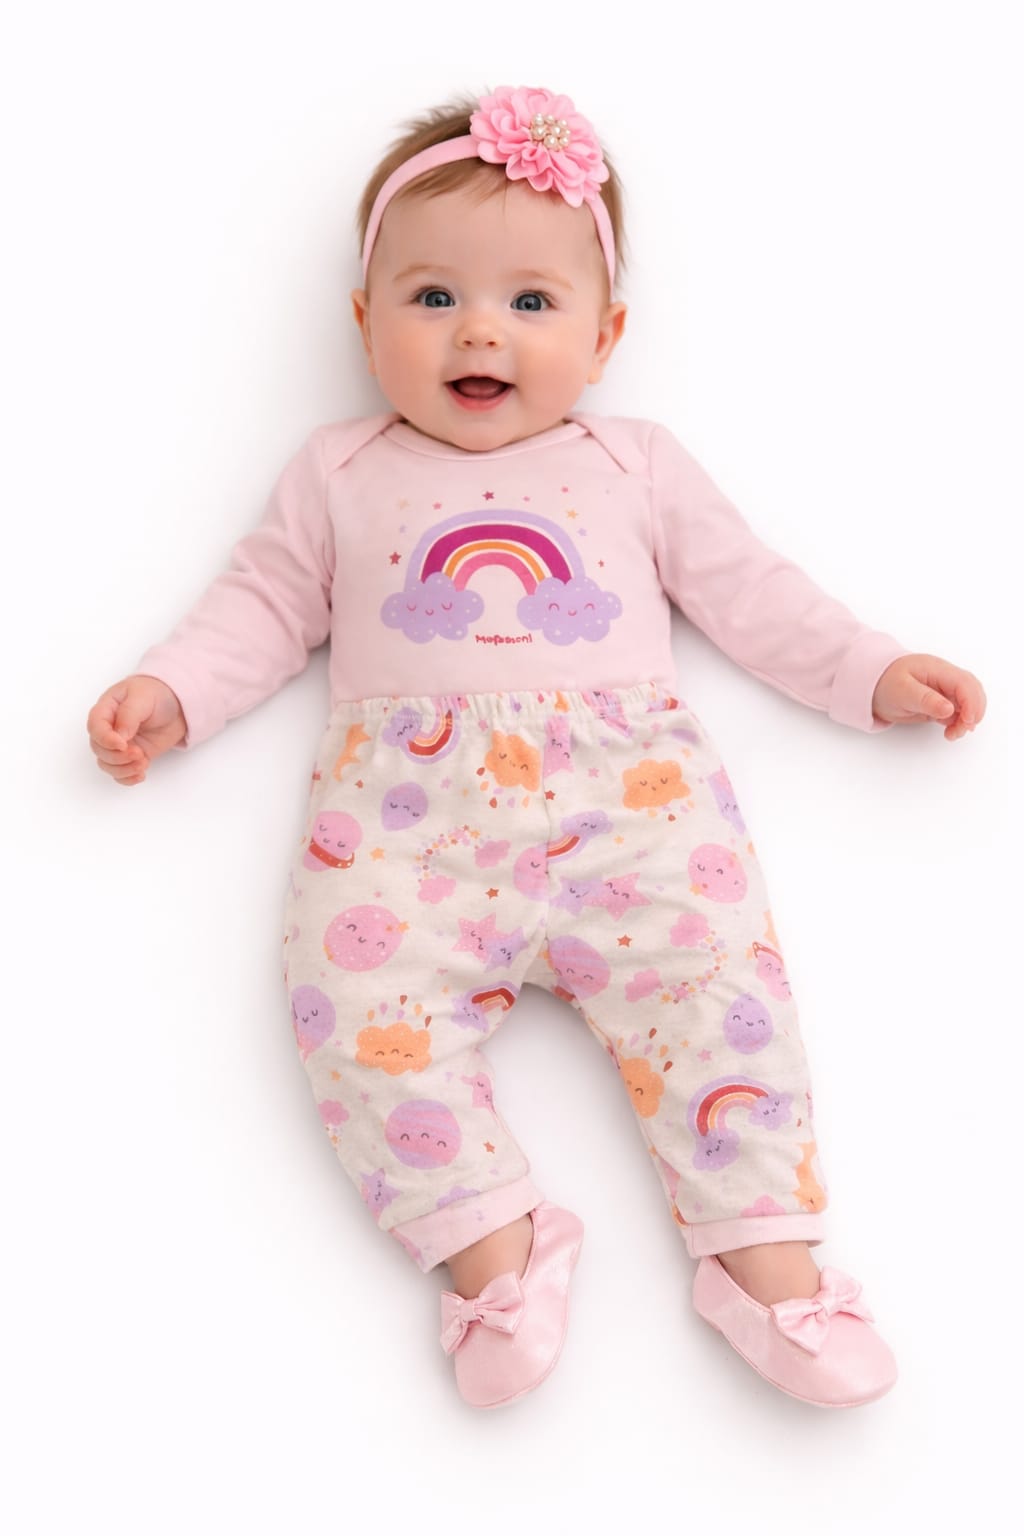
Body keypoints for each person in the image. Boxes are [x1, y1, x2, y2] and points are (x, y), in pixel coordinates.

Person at [86, 86, 986, 1411]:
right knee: (353, 1015)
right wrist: (175, 690)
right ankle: (491, 1246)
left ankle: (765, 1260)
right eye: (432, 297)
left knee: (720, 1008)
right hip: (406, 832)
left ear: (605, 333)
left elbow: (752, 593)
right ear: (365, 323)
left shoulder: (634, 466)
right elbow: (264, 606)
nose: (480, 330)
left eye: (530, 301)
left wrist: (868, 670)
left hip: (640, 818)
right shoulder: (340, 473)